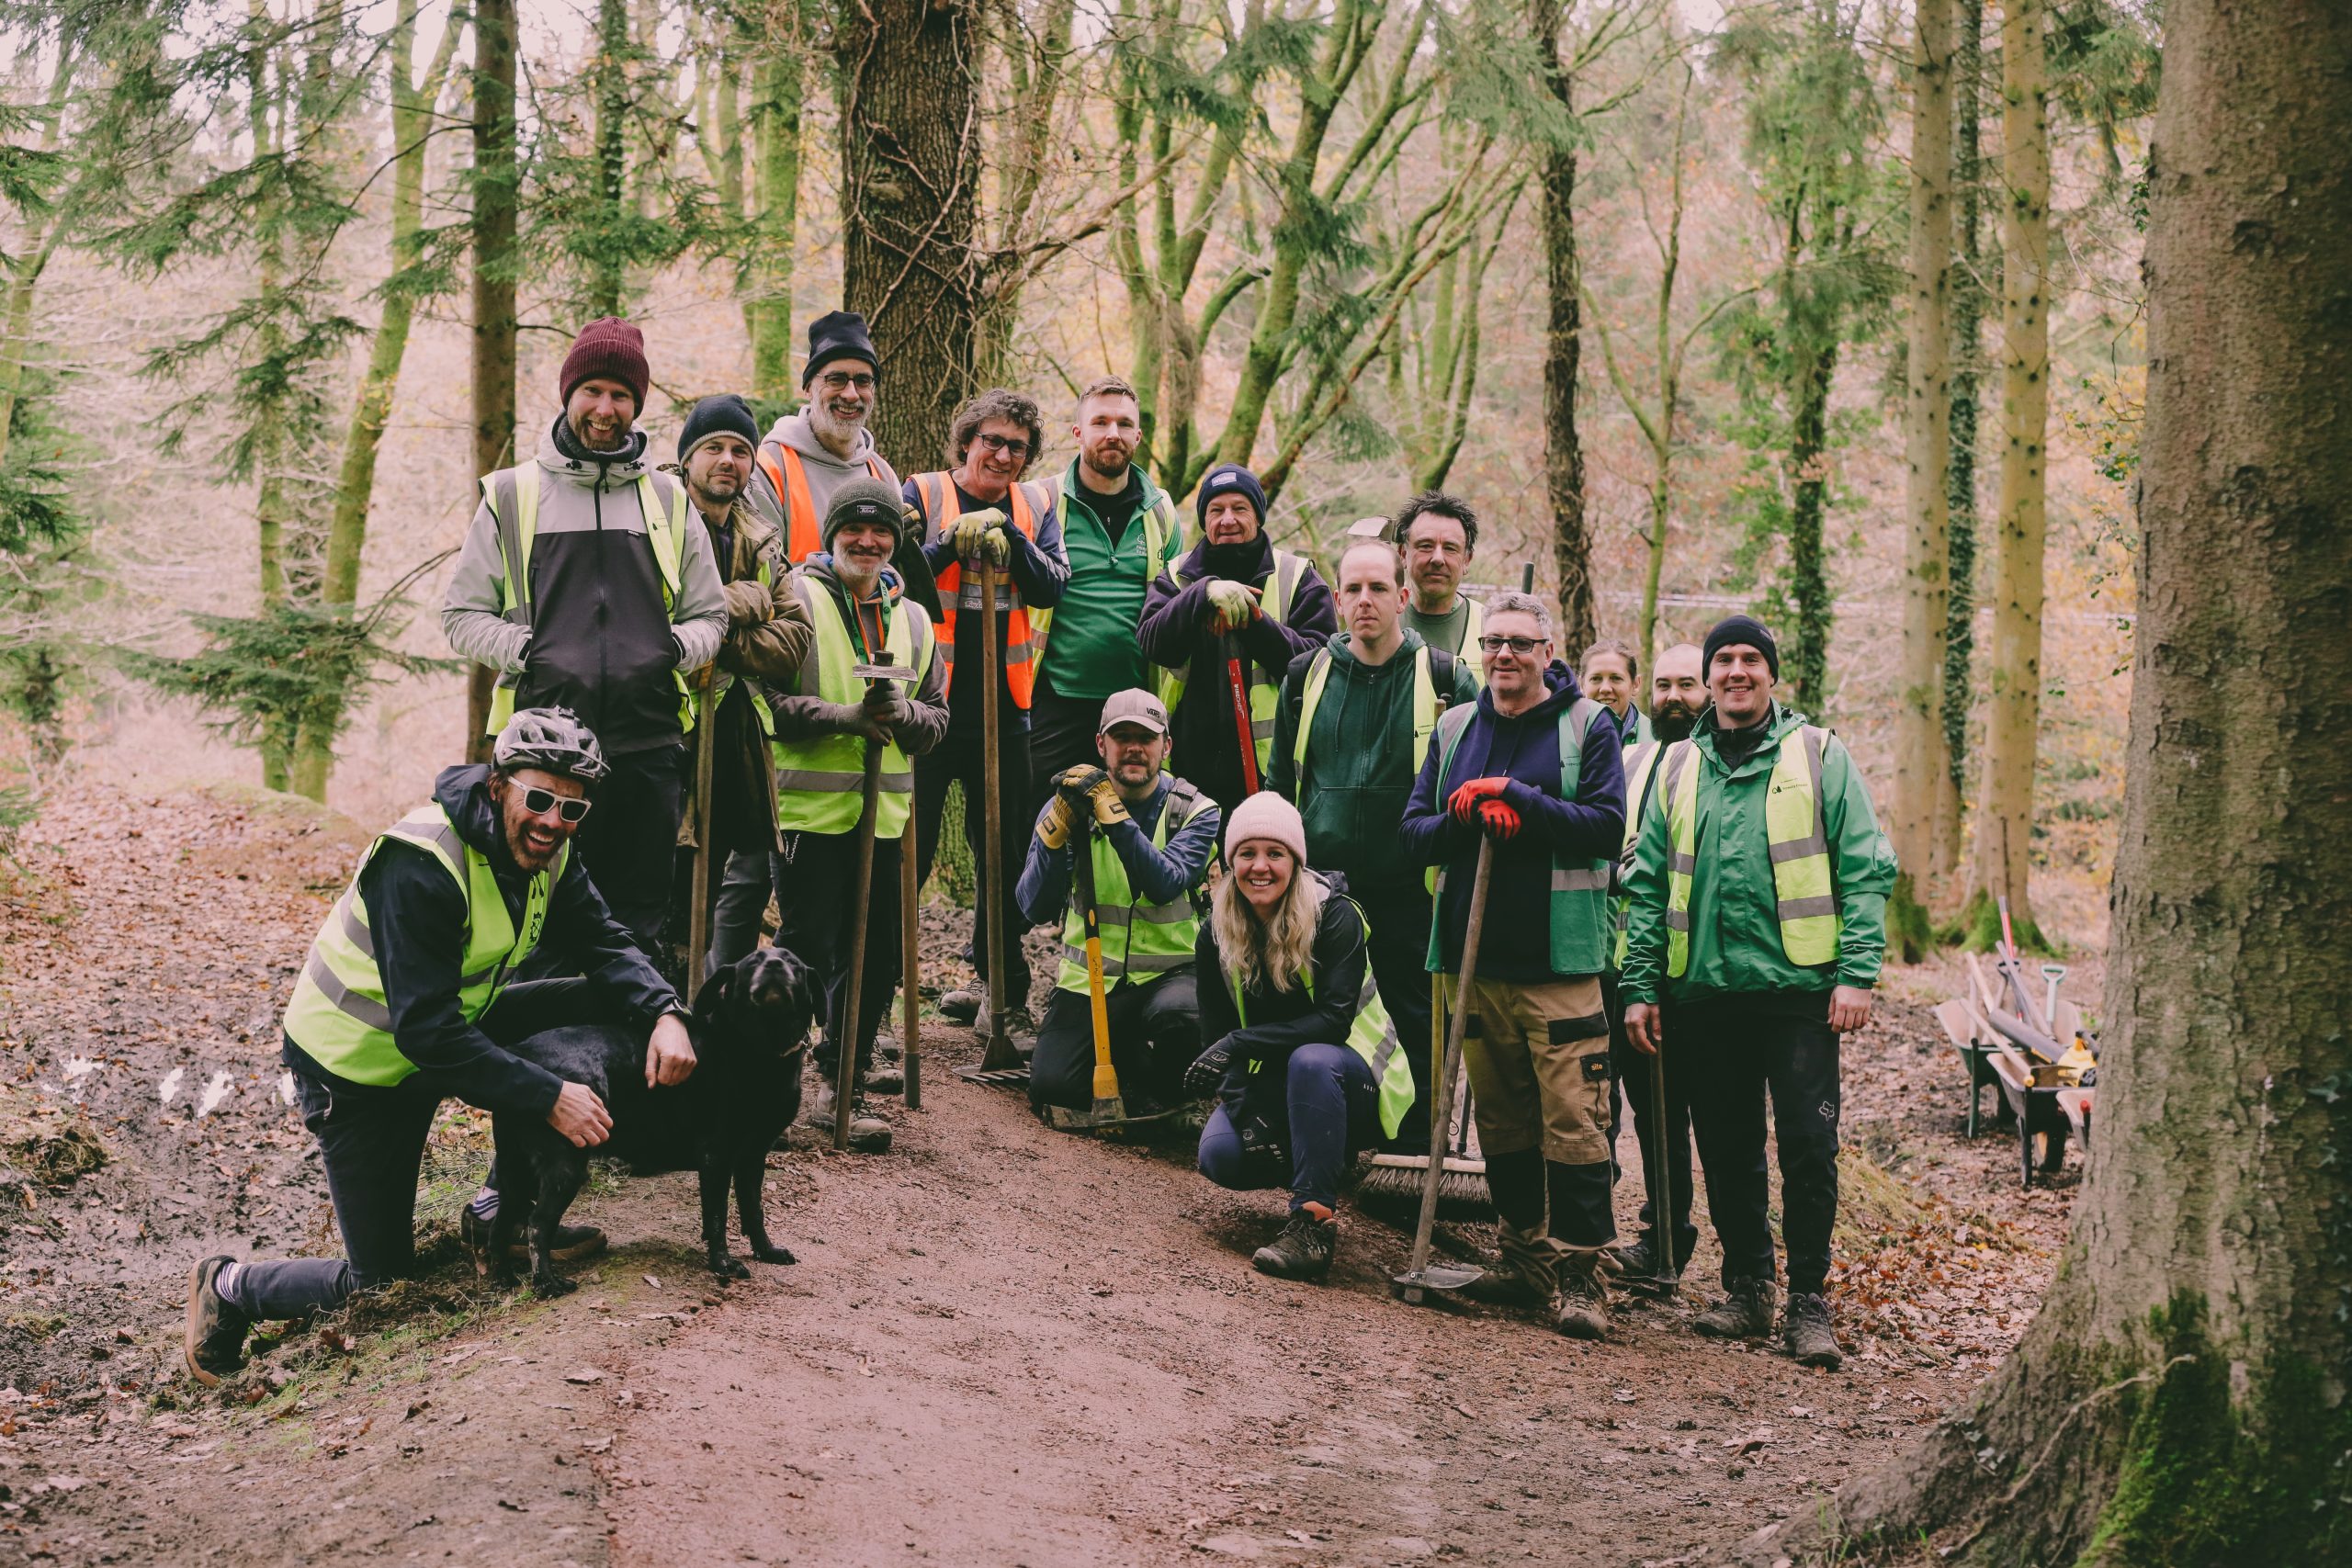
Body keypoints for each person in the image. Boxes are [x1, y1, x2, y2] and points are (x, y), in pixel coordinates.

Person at [183, 710, 694, 1384]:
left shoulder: (553, 848)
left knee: (609, 996)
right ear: (497, 784)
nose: (552, 821)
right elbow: (426, 1036)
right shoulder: (421, 861)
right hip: (359, 1070)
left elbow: (604, 941)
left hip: (455, 1023)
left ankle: (499, 1211)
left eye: (572, 808)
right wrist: (550, 1096)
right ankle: (227, 1287)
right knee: (380, 1283)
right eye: (538, 799)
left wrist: (665, 1010)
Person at [1620, 615, 1897, 1371]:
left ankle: (1808, 1298)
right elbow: (1645, 884)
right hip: (1704, 992)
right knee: (1729, 1149)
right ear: (1708, 677)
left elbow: (1866, 866)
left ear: (1773, 674)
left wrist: (1857, 972)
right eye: (1724, 661)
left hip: (1800, 992)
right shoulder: (1677, 766)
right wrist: (1642, 985)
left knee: (1809, 1146)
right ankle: (1747, 1287)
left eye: (1751, 659)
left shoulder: (1818, 753)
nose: (1736, 671)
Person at [442, 317, 729, 952]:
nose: (606, 409)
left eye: (621, 395)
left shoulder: (669, 500)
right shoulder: (513, 496)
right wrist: (533, 651)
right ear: (568, 393)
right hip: (541, 750)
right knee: (537, 920)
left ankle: (631, 1047)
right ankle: (539, 1046)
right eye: (593, 390)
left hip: (648, 746)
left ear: (637, 404)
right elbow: (460, 616)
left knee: (637, 921)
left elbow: (713, 615)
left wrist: (671, 652)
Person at [1400, 590, 1625, 1338]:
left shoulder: (1587, 725)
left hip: (1559, 964)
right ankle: (1524, 1257)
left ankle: (1581, 1273)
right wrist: (1461, 814)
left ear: (1548, 654)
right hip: (1474, 963)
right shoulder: (1458, 724)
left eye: (1520, 644)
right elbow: (1414, 831)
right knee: (1502, 1124)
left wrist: (1520, 800)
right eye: (1493, 641)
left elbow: (1604, 827)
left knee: (1576, 1125)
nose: (1503, 654)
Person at [1267, 538, 1474, 1154]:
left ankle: (1412, 1148)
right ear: (1336, 600)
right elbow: (1280, 785)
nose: (1365, 600)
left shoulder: (1443, 677)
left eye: (1378, 588)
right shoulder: (1307, 676)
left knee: (1415, 1017)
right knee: (1320, 1013)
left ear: (1403, 597)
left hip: (1410, 887)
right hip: (1320, 890)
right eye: (1352, 589)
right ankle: (1323, 1134)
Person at [766, 479, 947, 1137]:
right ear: (831, 533)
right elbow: (768, 705)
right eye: (854, 529)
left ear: (895, 542)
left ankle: (844, 1079)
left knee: (876, 957)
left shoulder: (917, 619)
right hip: (809, 818)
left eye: (881, 533)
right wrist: (844, 717)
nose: (867, 542)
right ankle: (772, 1081)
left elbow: (938, 719)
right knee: (806, 949)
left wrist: (904, 715)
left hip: (888, 820)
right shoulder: (798, 600)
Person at [1190, 794, 1419, 1281]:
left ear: (1295, 861)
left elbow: (1333, 1023)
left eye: (1275, 854)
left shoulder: (1336, 916)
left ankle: (1312, 1224)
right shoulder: (1215, 930)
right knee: (1221, 1155)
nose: (1260, 867)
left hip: (1356, 1079)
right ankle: (1315, 1157)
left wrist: (1240, 1045)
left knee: (1311, 1060)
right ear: (1231, 862)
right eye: (1247, 854)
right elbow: (1217, 1037)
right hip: (1279, 1082)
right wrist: (1242, 1108)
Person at [905, 389, 1071, 1032]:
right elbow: (895, 572)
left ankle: (1001, 991)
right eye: (993, 441)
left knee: (1001, 853)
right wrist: (948, 542)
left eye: (1017, 448)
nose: (1003, 455)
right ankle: (883, 995)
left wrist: (1013, 543)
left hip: (1006, 709)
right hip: (928, 702)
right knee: (908, 854)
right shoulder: (921, 493)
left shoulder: (1035, 505)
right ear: (967, 439)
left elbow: (1054, 582)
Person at [1014, 689, 1221, 1119]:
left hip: (1172, 978)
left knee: (1182, 1023)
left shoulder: (1197, 811)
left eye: (1145, 738)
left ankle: (1164, 1085)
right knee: (1053, 1087)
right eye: (1121, 736)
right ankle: (1128, 1065)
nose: (1133, 748)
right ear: (1100, 744)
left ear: (1166, 746)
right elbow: (1032, 908)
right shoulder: (1071, 804)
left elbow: (1164, 884)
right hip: (1091, 981)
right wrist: (1051, 841)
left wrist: (1114, 818)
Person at [662, 394, 814, 974]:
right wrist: (748, 602)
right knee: (657, 878)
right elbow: (658, 619)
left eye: (740, 451)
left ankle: (687, 1011)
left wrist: (711, 622)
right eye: (714, 448)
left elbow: (792, 640)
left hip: (733, 736)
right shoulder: (659, 518)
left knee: (703, 888)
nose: (728, 460)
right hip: (665, 730)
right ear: (688, 457)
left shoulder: (759, 533)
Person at [1136, 464, 1338, 816]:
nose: (1227, 519)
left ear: (1258, 517)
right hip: (1185, 779)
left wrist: (1252, 622)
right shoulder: (1175, 577)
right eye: (1216, 510)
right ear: (1204, 520)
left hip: (1270, 780)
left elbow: (1321, 669)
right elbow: (1153, 642)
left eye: (1239, 508)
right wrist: (1201, 593)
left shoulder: (1299, 577)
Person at [1023, 378, 1188, 807]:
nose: (1112, 433)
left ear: (1138, 435)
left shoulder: (1161, 511)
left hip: (1137, 706)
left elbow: (1174, 601)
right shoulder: (1041, 500)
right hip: (1053, 699)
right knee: (1042, 828)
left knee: (1129, 836)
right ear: (1078, 433)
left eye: (1123, 423)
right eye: (1100, 422)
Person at [1603, 641, 1705, 1280]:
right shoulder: (1628, 757)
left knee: (1662, 1110)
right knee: (1596, 1101)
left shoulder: (1712, 764)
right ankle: (1590, 1233)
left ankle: (1668, 1237)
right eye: (1664, 684)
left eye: (1687, 684)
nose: (1673, 696)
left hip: (1678, 968)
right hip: (1609, 961)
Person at [747, 311, 901, 563]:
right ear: (808, 387)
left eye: (863, 381)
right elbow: (763, 573)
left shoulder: (882, 474)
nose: (851, 394)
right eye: (837, 379)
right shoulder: (770, 468)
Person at [1395, 491, 1486, 671]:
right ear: (1403, 554)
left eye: (1450, 548)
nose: (1437, 559)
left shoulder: (1490, 626)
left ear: (1467, 560)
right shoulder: (1378, 620)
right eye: (1426, 546)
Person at [1580, 637, 1651, 747]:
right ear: (1582, 685)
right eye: (1596, 679)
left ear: (1635, 684)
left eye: (1616, 678)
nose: (1605, 688)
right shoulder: (1566, 737)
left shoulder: (1657, 740)